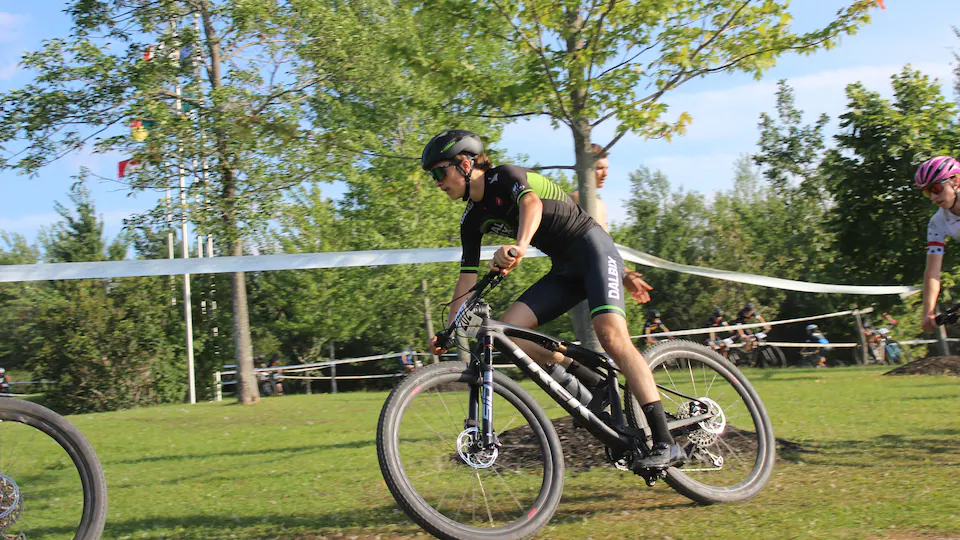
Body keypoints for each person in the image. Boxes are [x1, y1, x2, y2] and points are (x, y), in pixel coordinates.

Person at [422, 129, 684, 470]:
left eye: (440, 172)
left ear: (466, 163)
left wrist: (520, 246)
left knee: (612, 336)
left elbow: (530, 204)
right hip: (564, 269)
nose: (438, 182)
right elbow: (466, 279)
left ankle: (666, 441)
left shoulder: (506, 177)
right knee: (511, 333)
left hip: (593, 250)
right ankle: (591, 383)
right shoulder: (471, 219)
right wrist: (449, 328)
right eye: (433, 176)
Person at [915, 156, 960, 332]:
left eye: (936, 188)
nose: (933, 197)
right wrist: (928, 311)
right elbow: (933, 271)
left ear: (955, 181)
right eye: (927, 192)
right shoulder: (937, 223)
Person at [569, 143, 609, 230]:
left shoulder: (600, 204)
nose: (605, 174)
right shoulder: (576, 198)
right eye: (600, 168)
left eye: (606, 168)